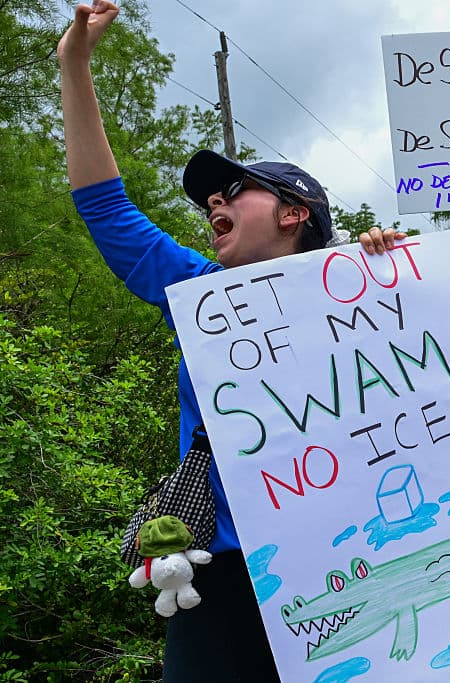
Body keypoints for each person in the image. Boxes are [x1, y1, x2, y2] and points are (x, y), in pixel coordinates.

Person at [59, 3, 343, 679]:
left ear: (294, 211)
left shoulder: (364, 292)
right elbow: (104, 207)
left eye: (234, 189)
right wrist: (74, 63)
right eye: (207, 197)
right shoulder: (197, 291)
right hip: (220, 574)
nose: (213, 201)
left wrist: (387, 265)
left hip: (343, 563)